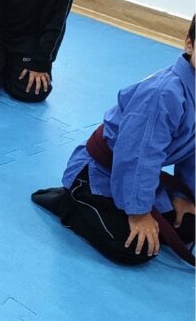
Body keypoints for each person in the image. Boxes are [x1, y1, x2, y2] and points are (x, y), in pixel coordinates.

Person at [32, 17, 195, 266]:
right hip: (100, 172)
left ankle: (117, 205)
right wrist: (139, 213)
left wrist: (185, 195)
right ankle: (71, 202)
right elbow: (137, 157)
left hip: (137, 175)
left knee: (188, 227)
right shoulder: (163, 94)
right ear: (189, 44)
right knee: (134, 248)